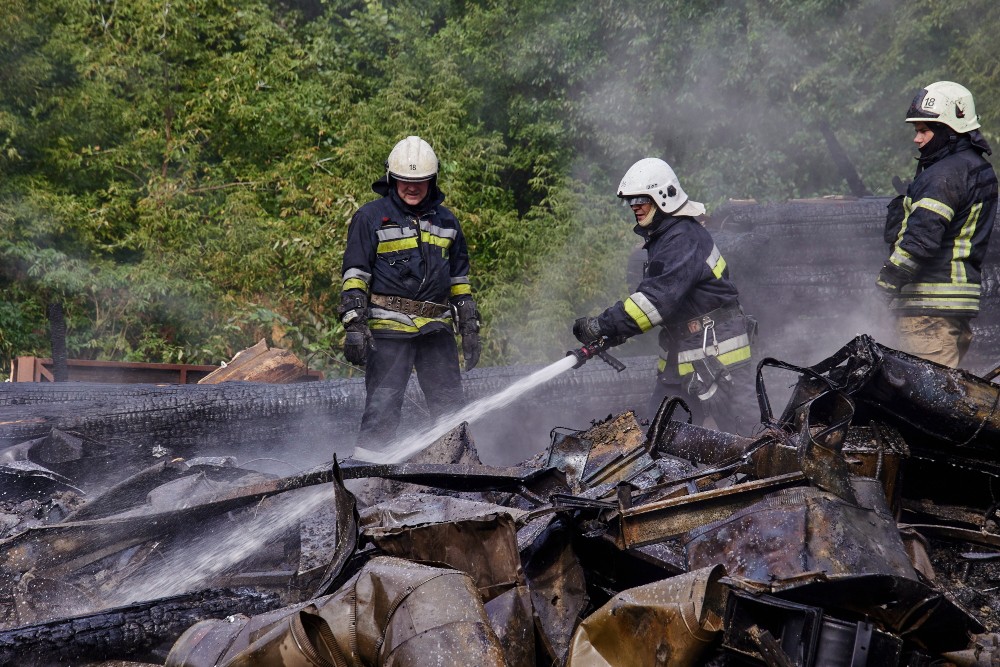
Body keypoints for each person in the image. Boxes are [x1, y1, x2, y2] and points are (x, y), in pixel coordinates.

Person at [572, 158, 758, 435]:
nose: (634, 205)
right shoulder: (665, 238)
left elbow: (653, 303)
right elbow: (669, 302)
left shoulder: (682, 238)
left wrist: (601, 325)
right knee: (662, 436)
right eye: (630, 201)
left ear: (664, 196)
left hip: (719, 356)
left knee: (747, 439)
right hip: (682, 354)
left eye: (640, 198)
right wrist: (615, 335)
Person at [339, 136, 481, 456]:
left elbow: (459, 280)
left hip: (436, 331)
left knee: (450, 408)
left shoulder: (447, 221)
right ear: (392, 178)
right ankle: (368, 474)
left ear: (433, 180)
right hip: (389, 332)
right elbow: (355, 276)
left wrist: (469, 325)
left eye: (420, 181)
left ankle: (460, 471)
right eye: (404, 181)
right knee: (383, 407)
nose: (411, 188)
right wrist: (354, 327)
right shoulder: (370, 217)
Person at [876, 81, 997, 368]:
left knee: (922, 404)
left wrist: (884, 284)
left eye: (924, 131)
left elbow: (919, 242)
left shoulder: (943, 176)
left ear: (950, 130)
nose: (917, 139)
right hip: (954, 309)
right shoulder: (977, 169)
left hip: (927, 312)